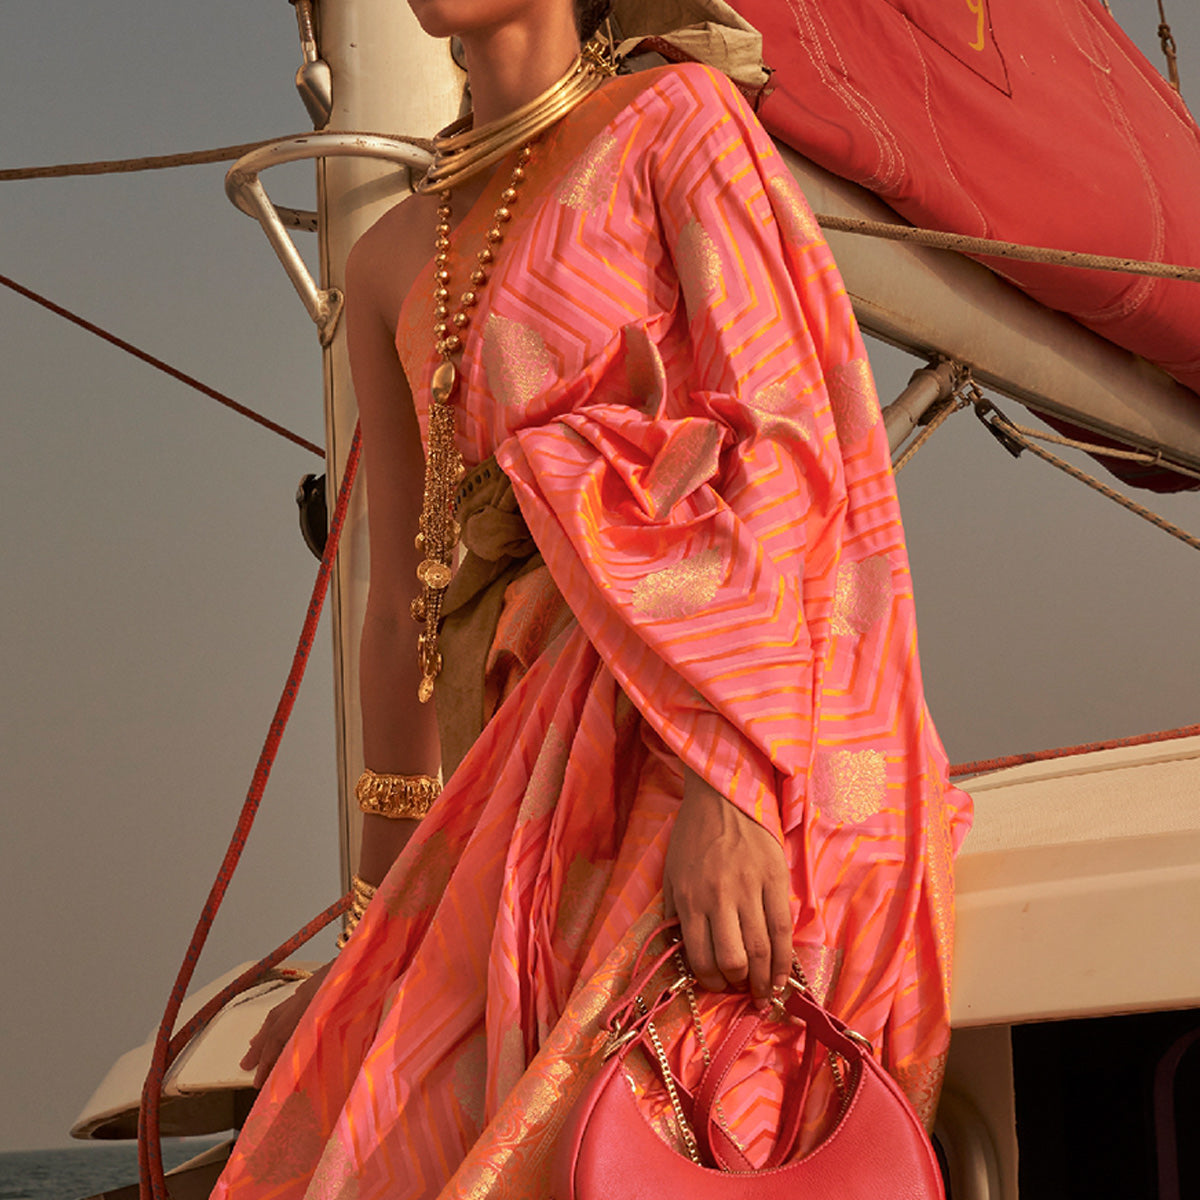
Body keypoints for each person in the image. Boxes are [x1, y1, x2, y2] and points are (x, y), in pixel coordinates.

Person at [212, 0, 973, 1196]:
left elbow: (778, 441)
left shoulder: (677, 123)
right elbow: (404, 607)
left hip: (700, 743)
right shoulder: (386, 259)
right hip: (514, 785)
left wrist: (735, 790)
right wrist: (374, 929)